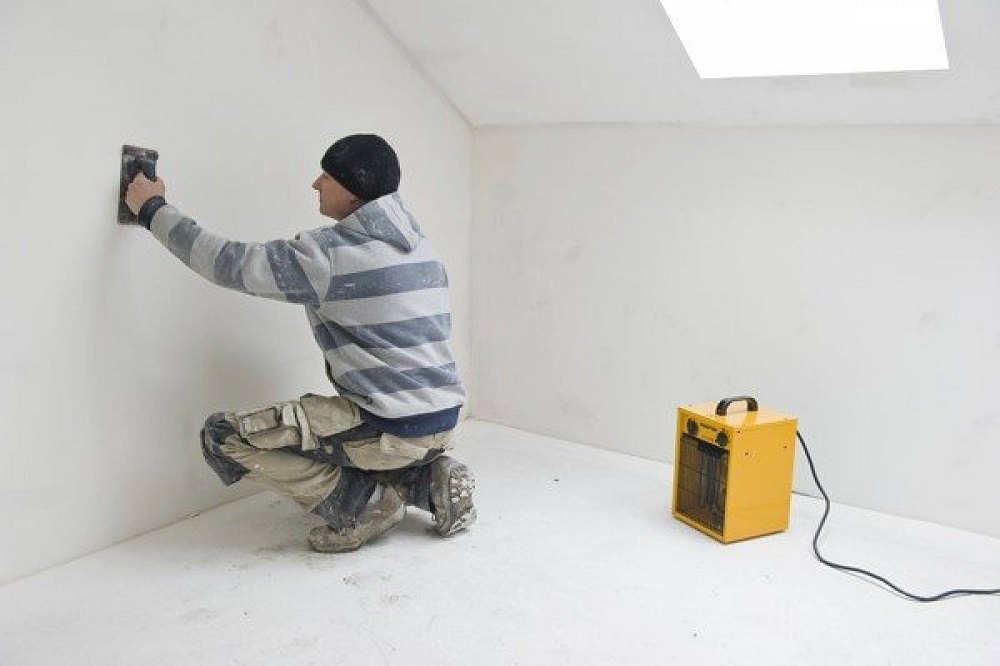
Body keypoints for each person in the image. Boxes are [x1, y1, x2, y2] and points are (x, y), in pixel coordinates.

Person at [125, 134, 475, 553]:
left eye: (328, 176)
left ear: (354, 189)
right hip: (442, 421)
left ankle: (362, 505)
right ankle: (427, 481)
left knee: (224, 437)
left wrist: (152, 208)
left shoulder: (330, 256)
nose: (316, 183)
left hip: (390, 426)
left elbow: (227, 263)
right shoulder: (424, 250)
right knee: (353, 440)